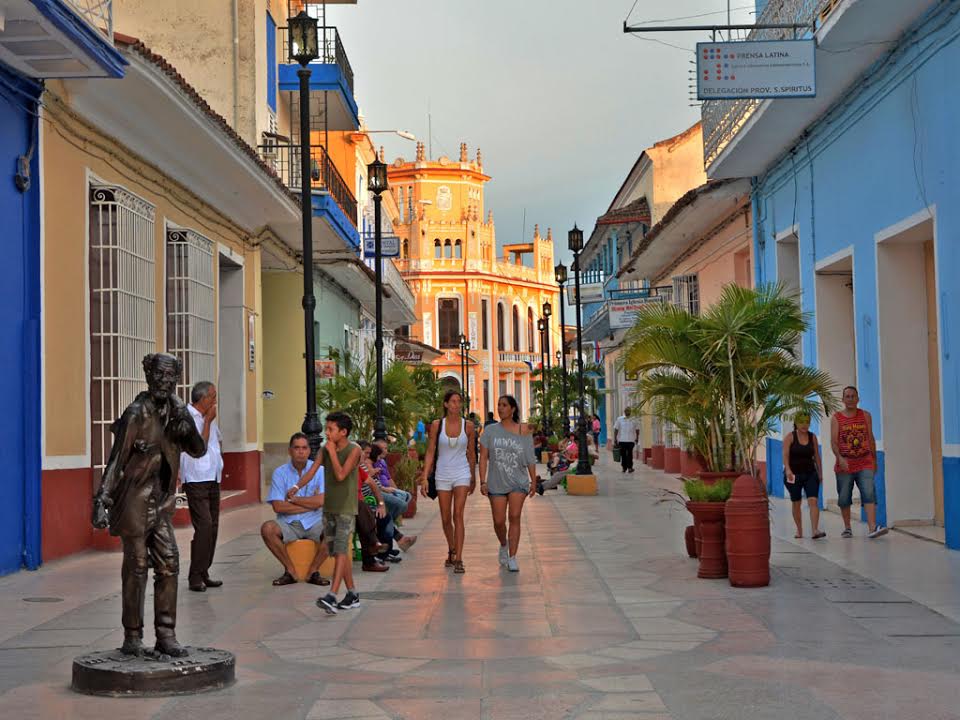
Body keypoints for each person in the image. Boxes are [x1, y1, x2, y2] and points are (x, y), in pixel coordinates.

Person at [91, 353, 206, 657]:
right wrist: (101, 500)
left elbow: (197, 450)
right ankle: (132, 635)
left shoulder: (176, 410)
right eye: (159, 375)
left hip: (162, 502)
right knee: (137, 567)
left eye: (170, 377)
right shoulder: (136, 413)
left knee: (169, 562)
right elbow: (115, 461)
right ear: (149, 376)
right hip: (134, 502)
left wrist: (187, 426)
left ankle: (166, 635)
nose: (164, 382)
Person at [261, 433, 330, 587]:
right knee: (267, 529)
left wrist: (294, 500)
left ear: (308, 450)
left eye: (304, 448)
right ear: (290, 451)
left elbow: (321, 501)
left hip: (315, 521)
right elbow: (278, 506)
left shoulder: (319, 471)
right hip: (289, 523)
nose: (301, 451)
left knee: (335, 528)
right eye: (296, 448)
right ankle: (290, 571)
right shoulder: (280, 473)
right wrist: (310, 503)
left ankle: (313, 571)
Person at [419, 390, 476, 574]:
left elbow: (471, 452)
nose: (456, 405)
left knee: (457, 515)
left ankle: (459, 558)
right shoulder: (437, 425)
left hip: (462, 472)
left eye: (459, 402)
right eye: (452, 401)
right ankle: (451, 548)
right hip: (442, 473)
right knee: (445, 518)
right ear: (445, 404)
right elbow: (430, 451)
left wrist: (474, 477)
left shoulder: (468, 426)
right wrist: (424, 476)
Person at [480, 395, 537, 571]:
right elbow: (483, 457)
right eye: (498, 405)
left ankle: (512, 557)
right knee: (498, 521)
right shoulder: (490, 431)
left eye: (504, 405)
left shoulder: (524, 430)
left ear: (512, 409)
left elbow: (529, 457)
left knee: (514, 516)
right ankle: (503, 544)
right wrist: (482, 481)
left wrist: (533, 480)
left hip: (518, 481)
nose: (500, 408)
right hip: (496, 482)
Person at [314, 412, 364, 614]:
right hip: (330, 507)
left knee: (342, 549)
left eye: (330, 429)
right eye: (326, 429)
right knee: (337, 551)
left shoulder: (355, 450)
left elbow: (341, 475)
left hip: (345, 508)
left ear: (343, 432)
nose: (326, 433)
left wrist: (333, 453)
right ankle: (352, 593)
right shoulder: (325, 450)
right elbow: (313, 468)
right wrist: (296, 487)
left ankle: (332, 595)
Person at [181, 381, 224, 593]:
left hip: (213, 477)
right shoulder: (187, 417)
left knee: (213, 527)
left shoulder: (211, 417)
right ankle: (195, 576)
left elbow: (216, 443)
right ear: (203, 399)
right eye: (213, 397)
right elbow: (200, 446)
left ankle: (203, 571)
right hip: (196, 478)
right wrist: (207, 421)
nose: (215, 401)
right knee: (204, 527)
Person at [831, 386, 887, 539]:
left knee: (869, 492)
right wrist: (840, 458)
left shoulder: (866, 416)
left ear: (858, 399)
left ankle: (872, 527)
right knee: (844, 498)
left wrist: (874, 460)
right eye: (847, 396)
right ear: (843, 400)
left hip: (865, 462)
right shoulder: (837, 418)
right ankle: (847, 527)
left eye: (853, 396)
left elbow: (870, 438)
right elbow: (834, 442)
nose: (850, 399)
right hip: (845, 465)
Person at [782, 413, 825, 540]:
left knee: (813, 501)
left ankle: (815, 530)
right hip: (793, 474)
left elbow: (817, 456)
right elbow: (785, 455)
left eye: (807, 422)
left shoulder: (813, 437)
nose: (804, 425)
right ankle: (799, 530)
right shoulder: (790, 437)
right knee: (796, 502)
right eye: (801, 422)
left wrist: (820, 473)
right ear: (796, 422)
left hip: (810, 473)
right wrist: (788, 470)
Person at [613, 407, 639, 473]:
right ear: (624, 412)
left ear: (630, 411)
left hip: (631, 440)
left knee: (630, 454)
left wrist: (637, 438)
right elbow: (616, 429)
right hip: (622, 440)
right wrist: (615, 438)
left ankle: (630, 467)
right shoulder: (619, 419)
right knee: (623, 454)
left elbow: (637, 429)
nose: (628, 412)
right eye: (626, 411)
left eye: (629, 411)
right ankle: (624, 467)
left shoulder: (634, 419)